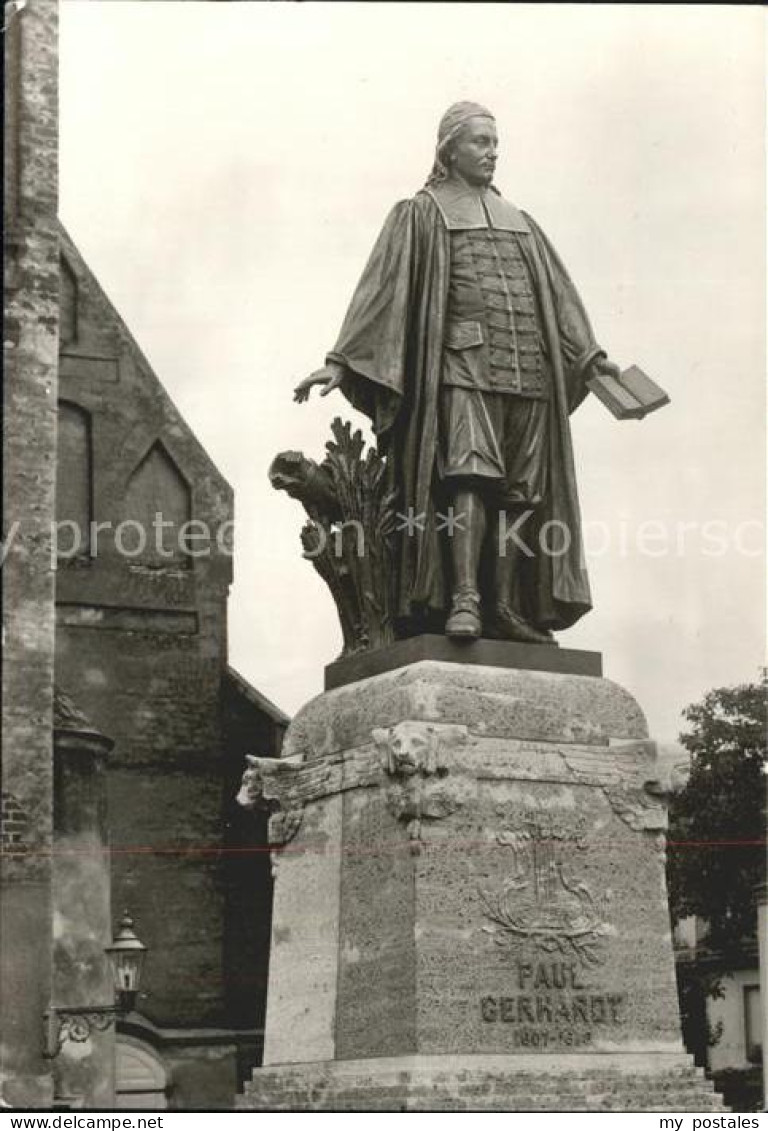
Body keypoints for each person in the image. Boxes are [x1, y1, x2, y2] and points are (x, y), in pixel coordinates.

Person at [294, 102, 621, 644]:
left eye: (496, 143)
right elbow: (382, 290)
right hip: (461, 368)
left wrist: (590, 355)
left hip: (529, 376)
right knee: (469, 478)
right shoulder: (421, 212)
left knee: (521, 495)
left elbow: (560, 299)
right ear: (449, 149)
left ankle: (505, 605)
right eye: (481, 143)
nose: (493, 153)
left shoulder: (523, 223)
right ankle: (464, 598)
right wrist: (341, 360)